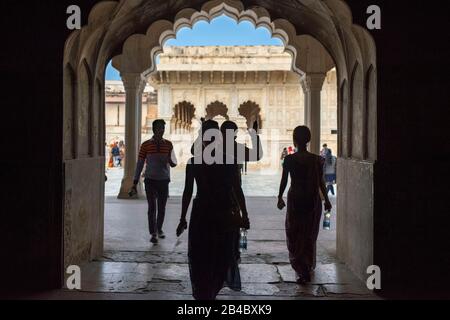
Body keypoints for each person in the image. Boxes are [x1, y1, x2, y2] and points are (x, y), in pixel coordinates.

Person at [177, 120, 250, 300]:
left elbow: (188, 192)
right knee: (221, 254)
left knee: (201, 254)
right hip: (224, 212)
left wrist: (182, 218)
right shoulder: (229, 162)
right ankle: (212, 291)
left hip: (202, 212)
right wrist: (244, 215)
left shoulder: (194, 163)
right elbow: (237, 190)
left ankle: (205, 293)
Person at [277, 126, 332, 284]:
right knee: (308, 235)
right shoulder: (316, 160)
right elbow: (321, 182)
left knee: (295, 234)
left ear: (294, 140)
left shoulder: (289, 159)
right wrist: (326, 200)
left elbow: (284, 181)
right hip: (312, 201)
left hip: (296, 200)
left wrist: (280, 197)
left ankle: (301, 269)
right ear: (308, 140)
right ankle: (306, 268)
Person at [131, 120, 177, 244]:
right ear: (154, 129)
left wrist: (169, 159)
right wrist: (135, 182)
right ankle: (153, 233)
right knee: (152, 208)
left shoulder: (168, 144)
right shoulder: (145, 145)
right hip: (150, 180)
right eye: (159, 128)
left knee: (162, 207)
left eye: (163, 128)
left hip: (164, 180)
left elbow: (174, 163)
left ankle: (159, 228)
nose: (161, 130)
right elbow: (140, 164)